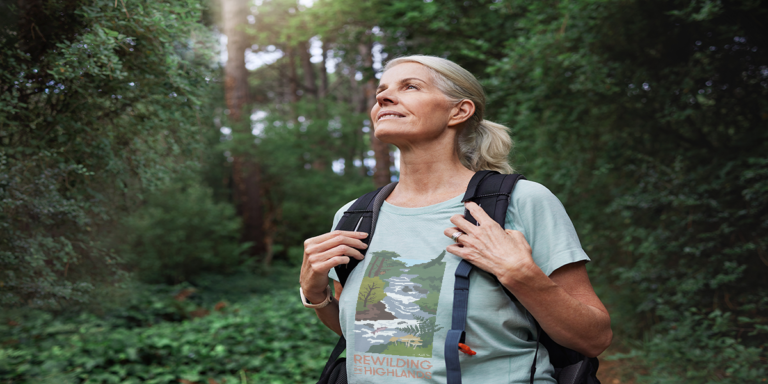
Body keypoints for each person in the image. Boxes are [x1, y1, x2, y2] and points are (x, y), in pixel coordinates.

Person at [299, 55, 612, 383]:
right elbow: (369, 337)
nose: (383, 97)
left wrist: (521, 276)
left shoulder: (521, 201)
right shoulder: (356, 216)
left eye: (410, 86)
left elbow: (594, 339)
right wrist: (315, 295)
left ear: (459, 111)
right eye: (382, 90)